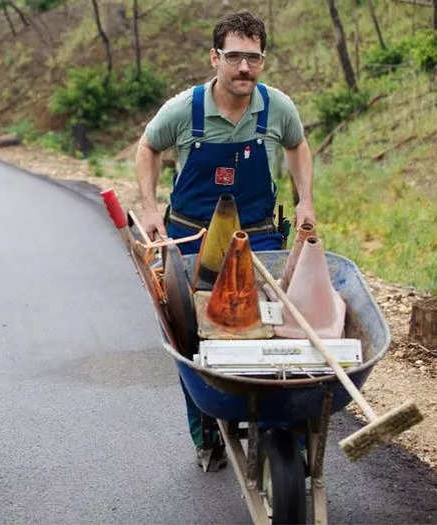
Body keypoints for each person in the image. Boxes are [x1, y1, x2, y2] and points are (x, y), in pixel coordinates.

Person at [135, 11, 315, 469]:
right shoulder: (184, 109)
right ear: (215, 58)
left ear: (262, 61)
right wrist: (151, 208)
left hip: (259, 241)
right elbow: (148, 148)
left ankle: (274, 420)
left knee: (269, 330)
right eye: (234, 57)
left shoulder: (277, 109)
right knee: (193, 340)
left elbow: (296, 146)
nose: (243, 69)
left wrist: (305, 200)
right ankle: (207, 433)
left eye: (252, 59)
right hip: (191, 240)